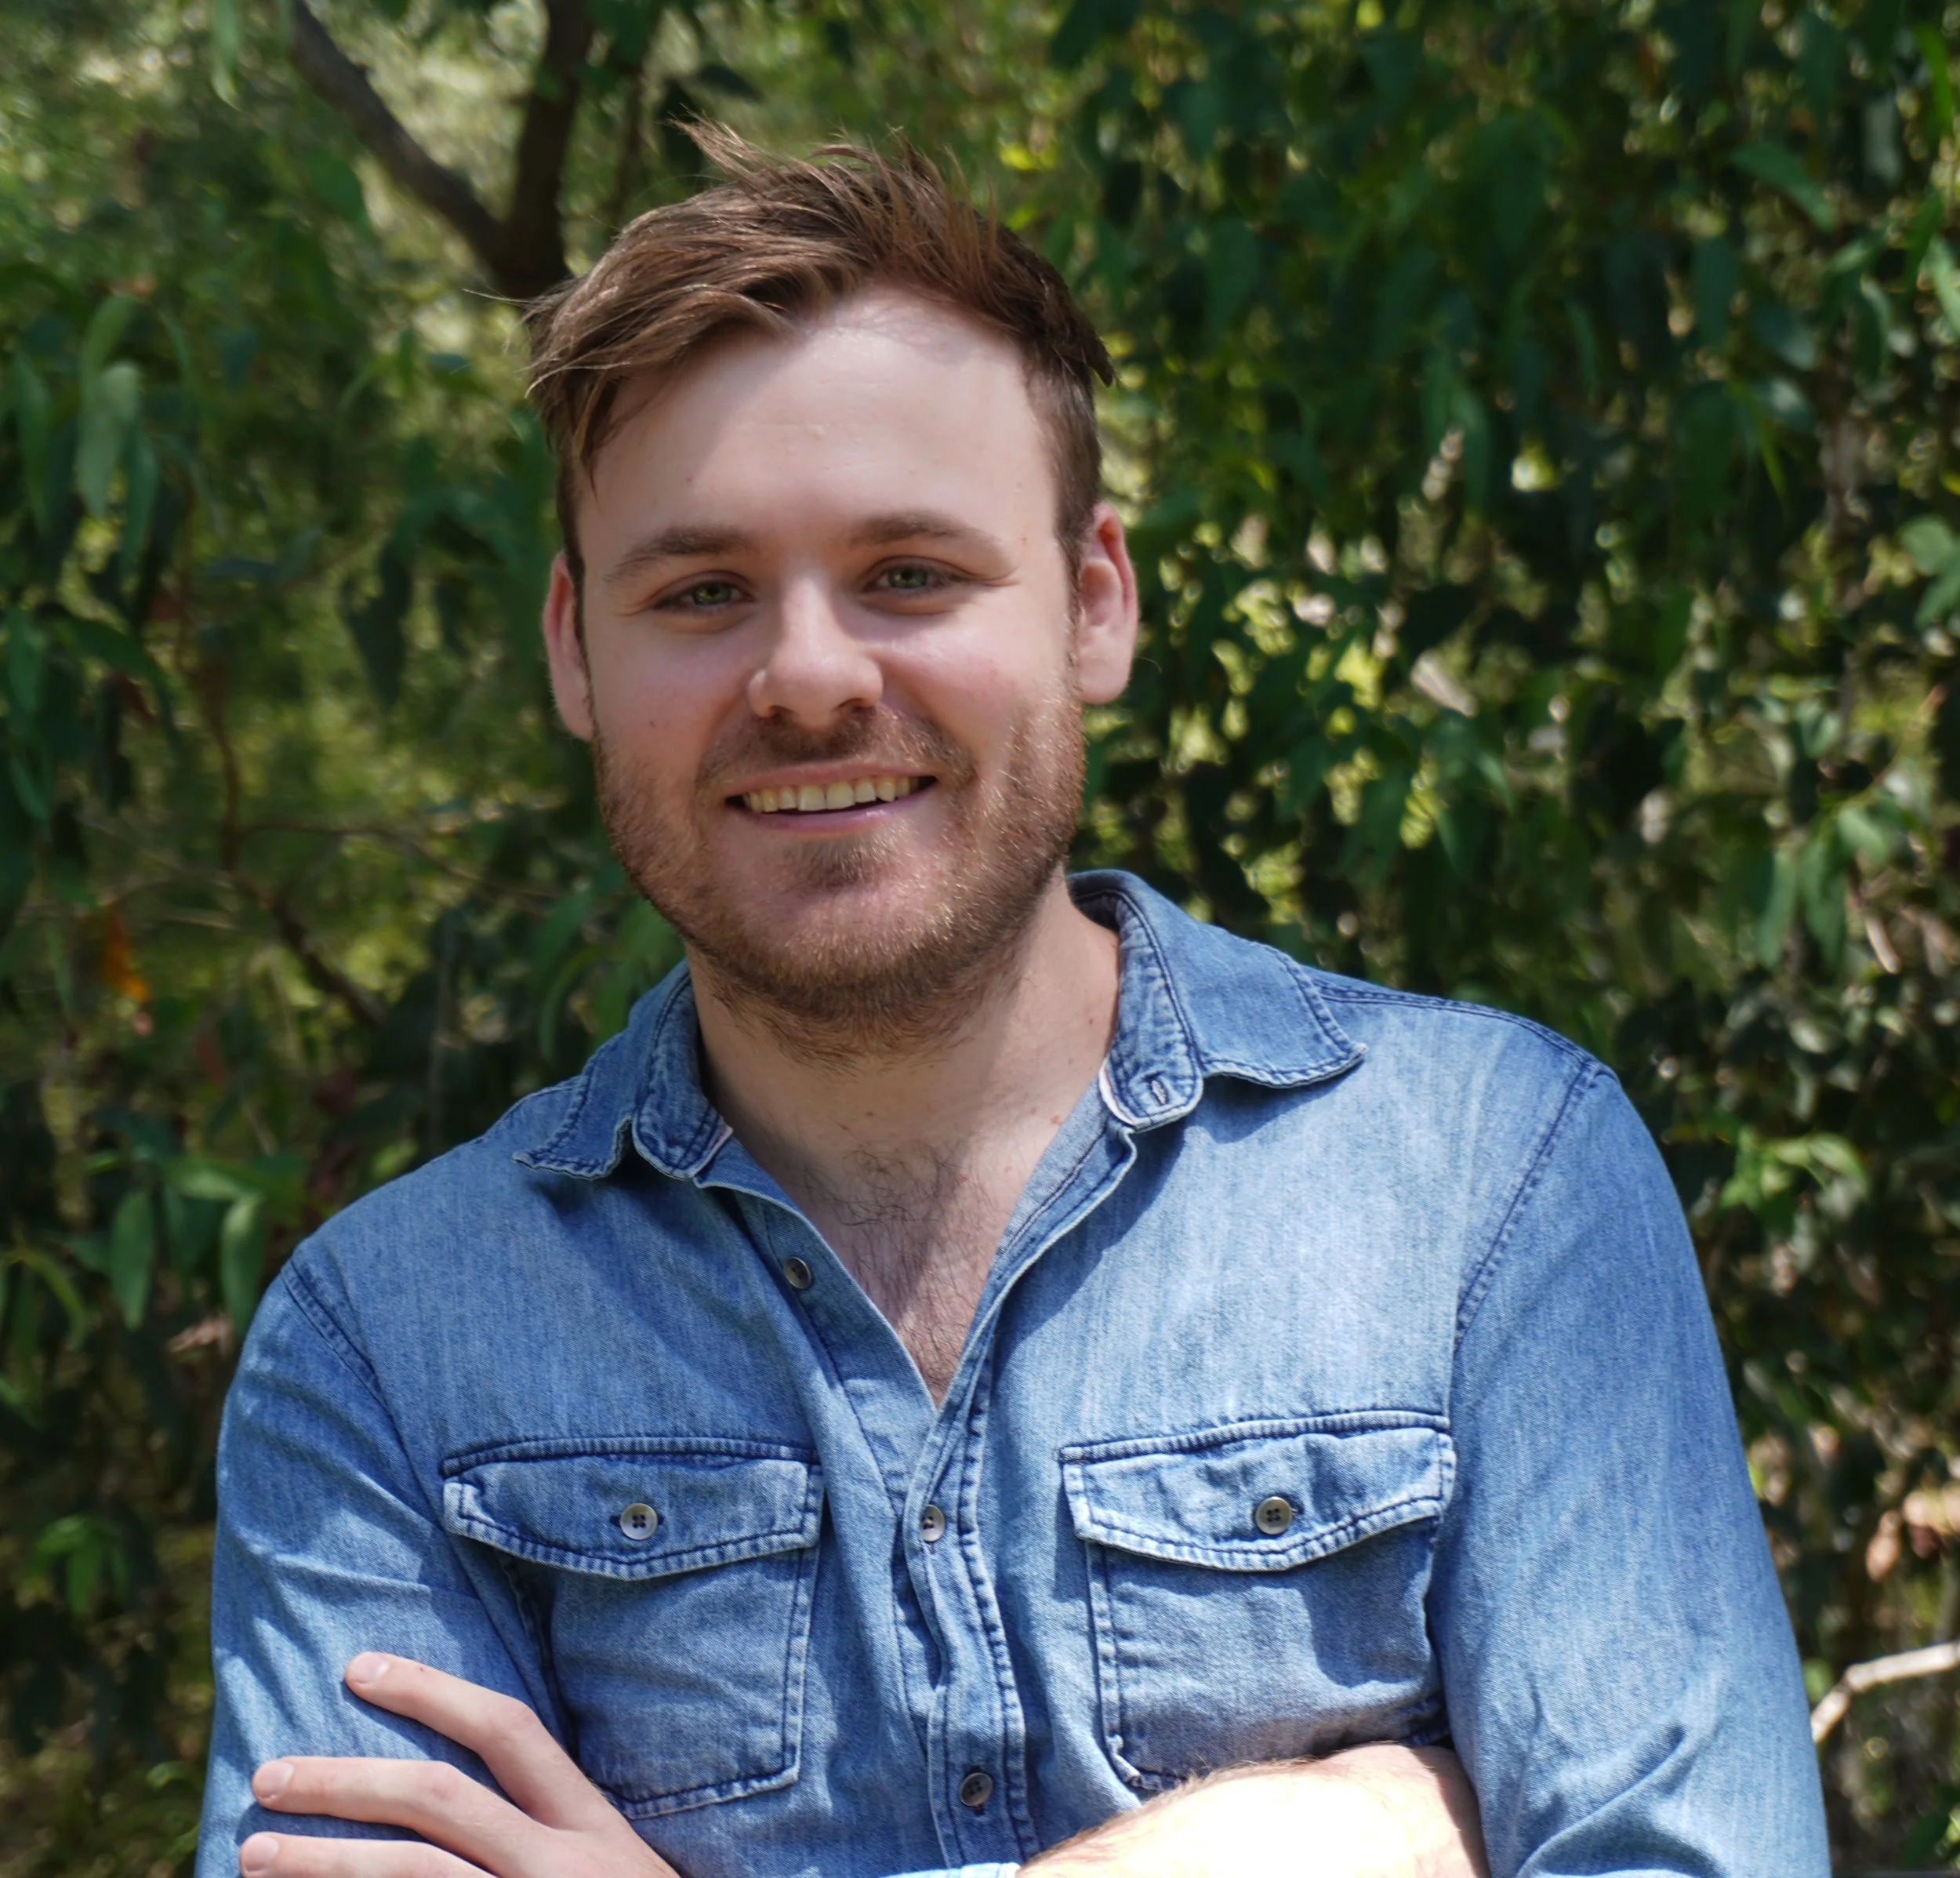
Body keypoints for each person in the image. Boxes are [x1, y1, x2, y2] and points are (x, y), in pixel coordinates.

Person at [194, 133, 1828, 1878]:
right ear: (575, 652)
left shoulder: (1488, 1189)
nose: (809, 676)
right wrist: (1272, 1847)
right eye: (699, 592)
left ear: (1094, 607)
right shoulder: (388, 1347)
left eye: (909, 574)